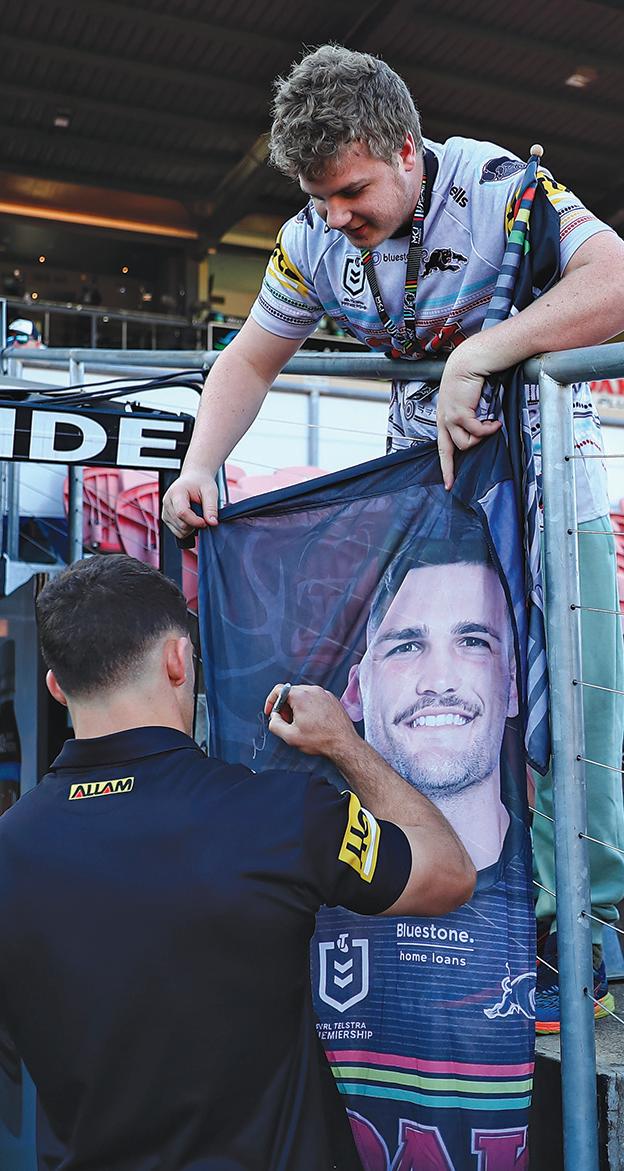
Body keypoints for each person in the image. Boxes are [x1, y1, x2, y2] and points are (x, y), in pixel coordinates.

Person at [162, 43, 624, 1033]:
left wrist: (484, 353)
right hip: (426, 504)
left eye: (352, 191)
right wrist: (200, 461)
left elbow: (617, 278)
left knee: (576, 717)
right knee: (433, 712)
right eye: (318, 197)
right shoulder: (309, 240)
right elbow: (249, 360)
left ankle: (589, 941)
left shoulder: (500, 187)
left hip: (552, 485)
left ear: (409, 150)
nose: (336, 216)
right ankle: (445, 919)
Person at [0, 554, 474, 1171]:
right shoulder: (279, 814)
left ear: (56, 687)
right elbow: (448, 872)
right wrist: (344, 744)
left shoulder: (10, 849)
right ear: (179, 660)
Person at [342, 546, 517, 872]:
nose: (439, 681)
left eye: (473, 642)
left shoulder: (557, 877)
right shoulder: (298, 878)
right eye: (405, 647)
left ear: (515, 688)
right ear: (354, 694)